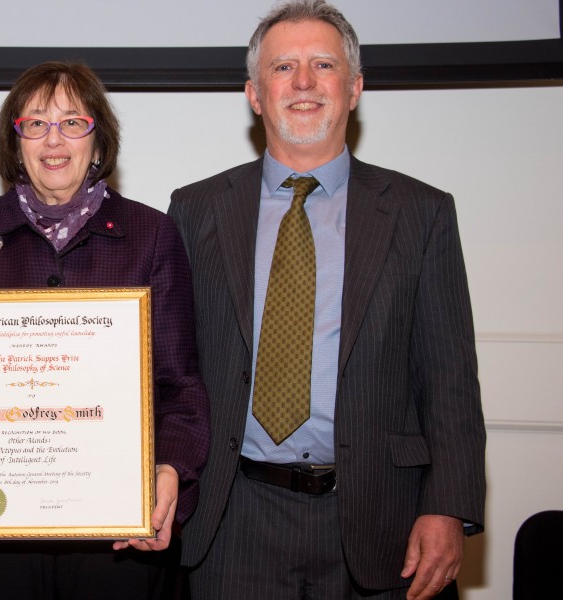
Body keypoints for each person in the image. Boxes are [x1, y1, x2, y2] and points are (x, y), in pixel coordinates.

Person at [167, 1, 486, 599]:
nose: (305, 83)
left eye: (323, 65)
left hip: (380, 519)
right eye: (284, 68)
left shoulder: (421, 213)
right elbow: (171, 368)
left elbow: (450, 378)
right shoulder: (194, 210)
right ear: (255, 94)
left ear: (356, 87)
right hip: (235, 519)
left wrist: (450, 506)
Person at [0, 61, 209, 599]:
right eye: (36, 123)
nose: (54, 140)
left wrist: (170, 469)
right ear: (14, 139)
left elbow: (181, 387)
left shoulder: (152, 234)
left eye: (73, 122)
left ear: (98, 138)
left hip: (116, 535)